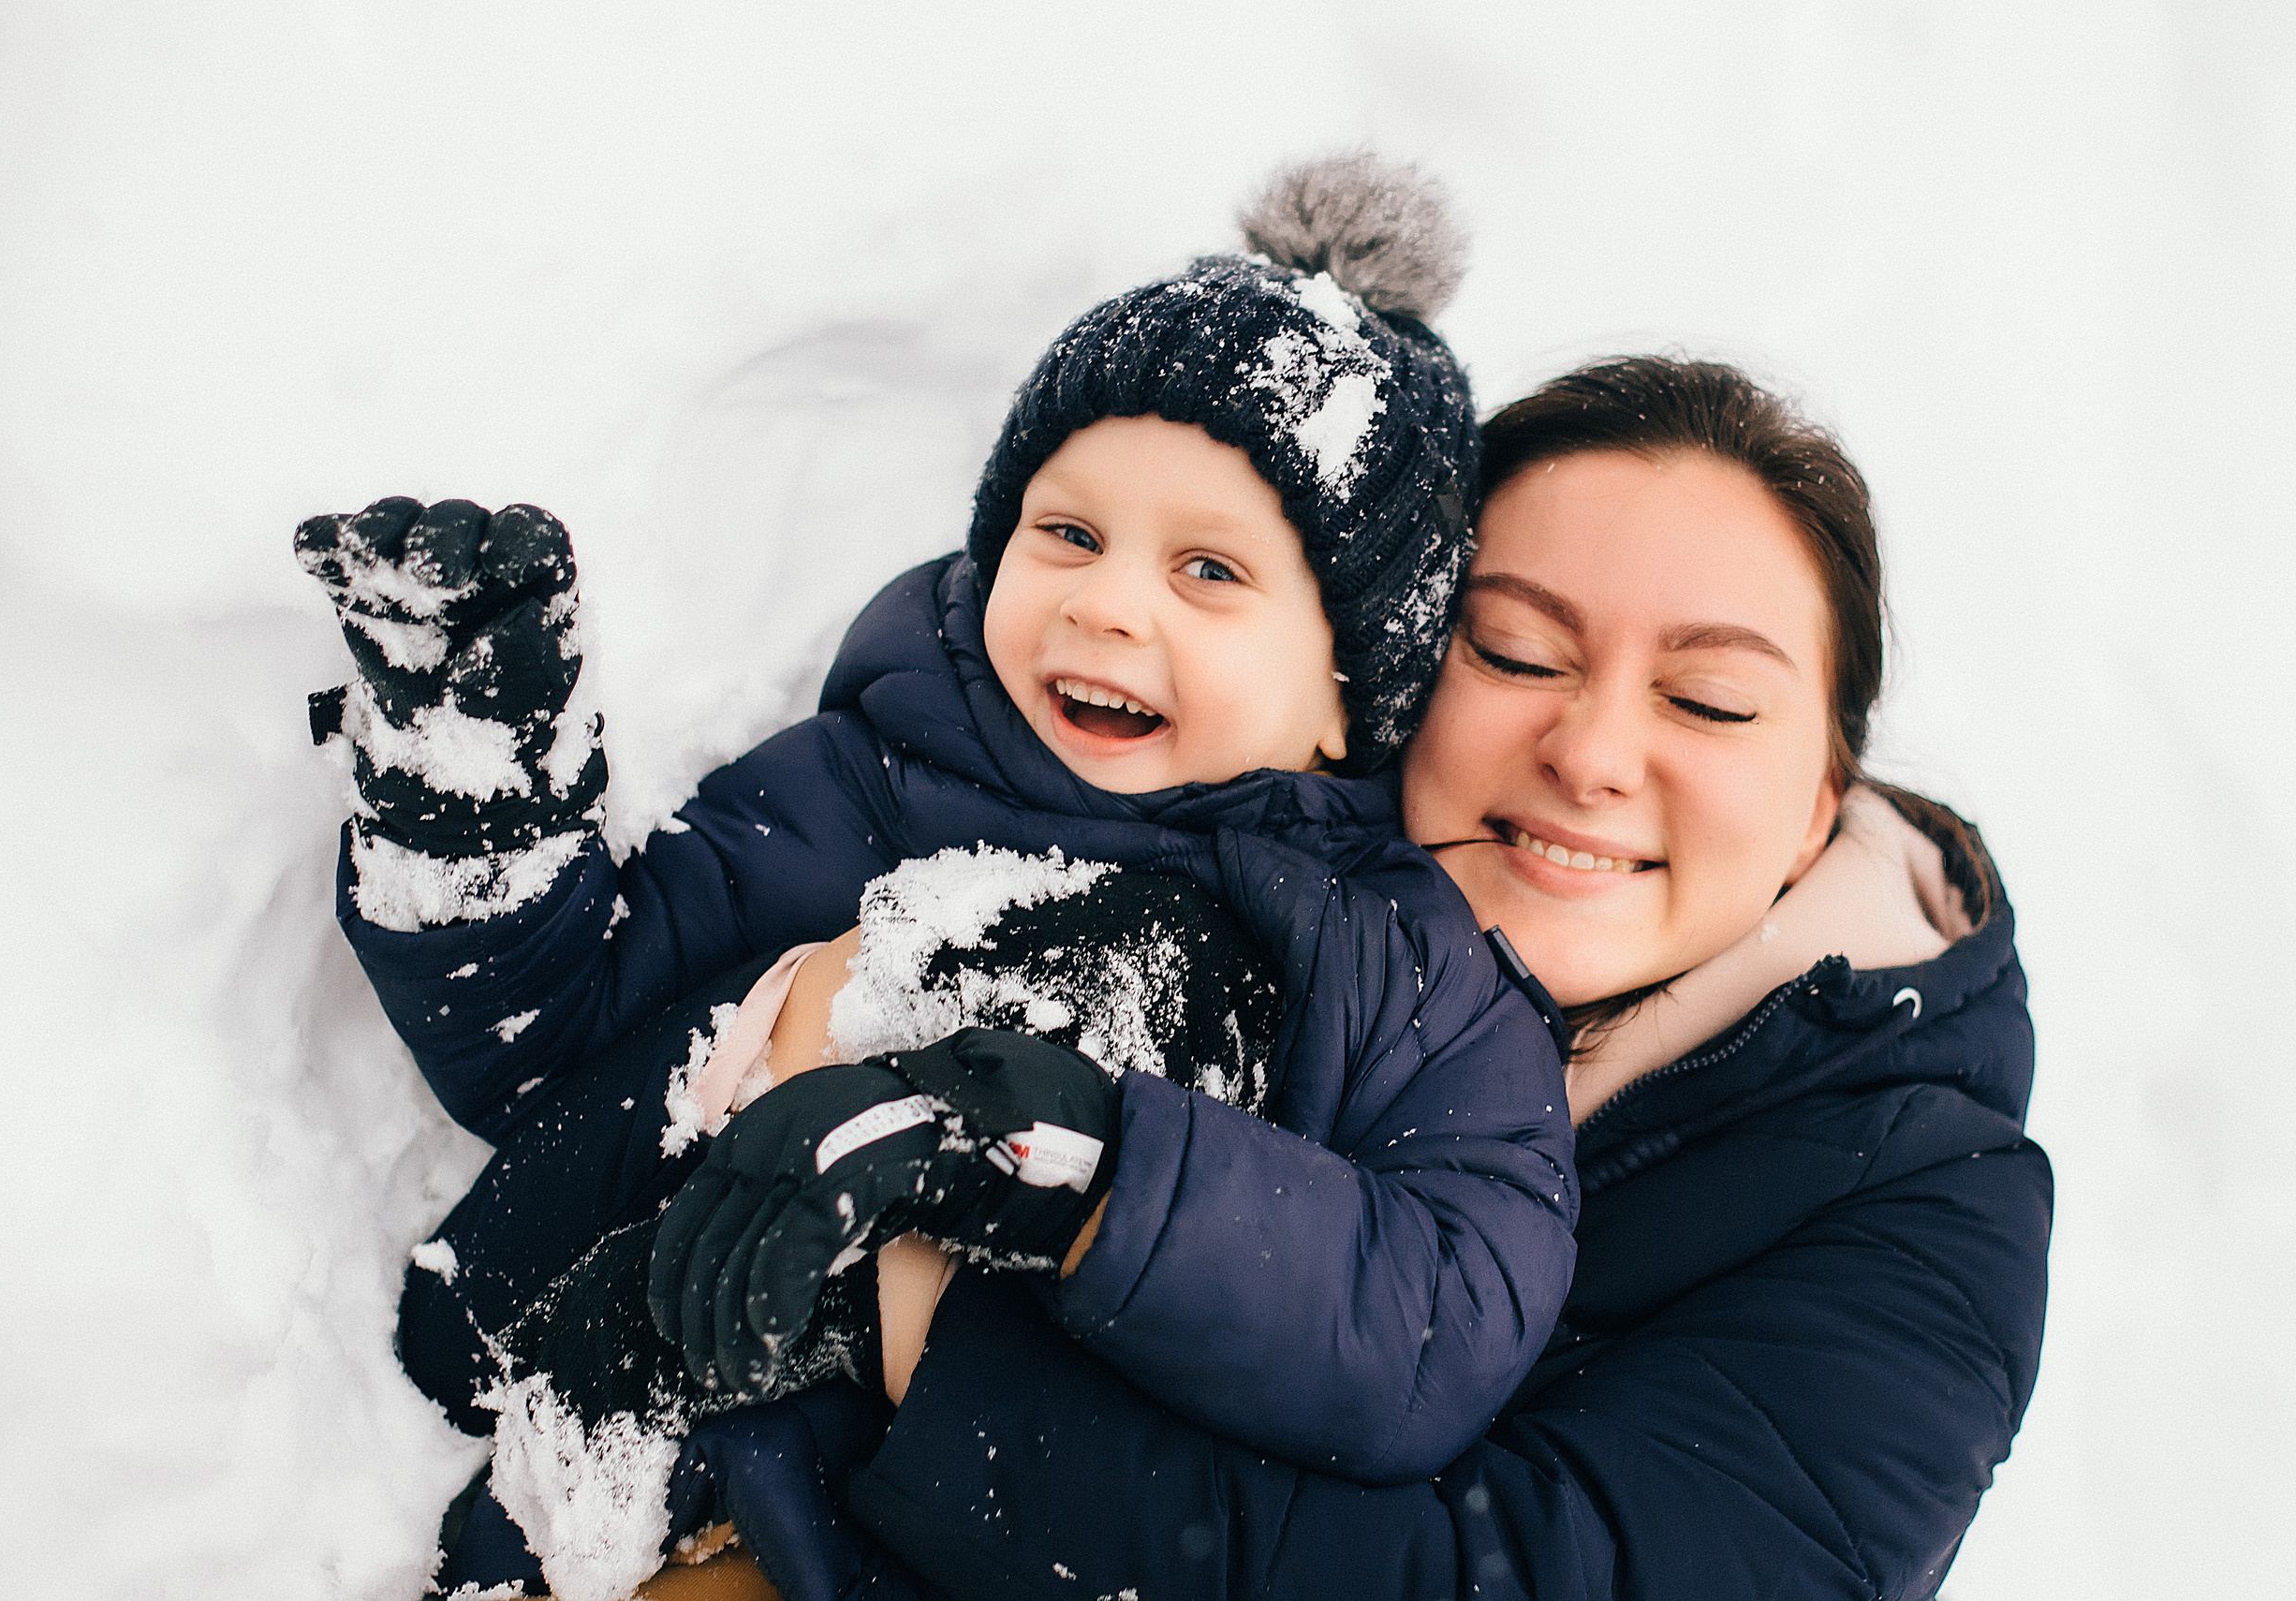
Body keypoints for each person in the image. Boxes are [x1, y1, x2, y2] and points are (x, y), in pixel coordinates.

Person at [296, 158, 1582, 1597]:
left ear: (1352, 690)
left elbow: (1436, 1322)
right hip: (615, 1483)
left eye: (1209, 572)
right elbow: (558, 1036)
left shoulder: (1388, 961)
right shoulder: (870, 776)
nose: (1107, 601)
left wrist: (1093, 1162)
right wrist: (475, 785)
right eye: (1069, 533)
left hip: (970, 1516)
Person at [829, 356, 2051, 1601]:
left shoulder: (1929, 1204)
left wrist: (927, 1339)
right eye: (1517, 653)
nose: (1591, 756)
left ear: (1821, 810)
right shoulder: (1221, 858)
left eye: (1708, 700)